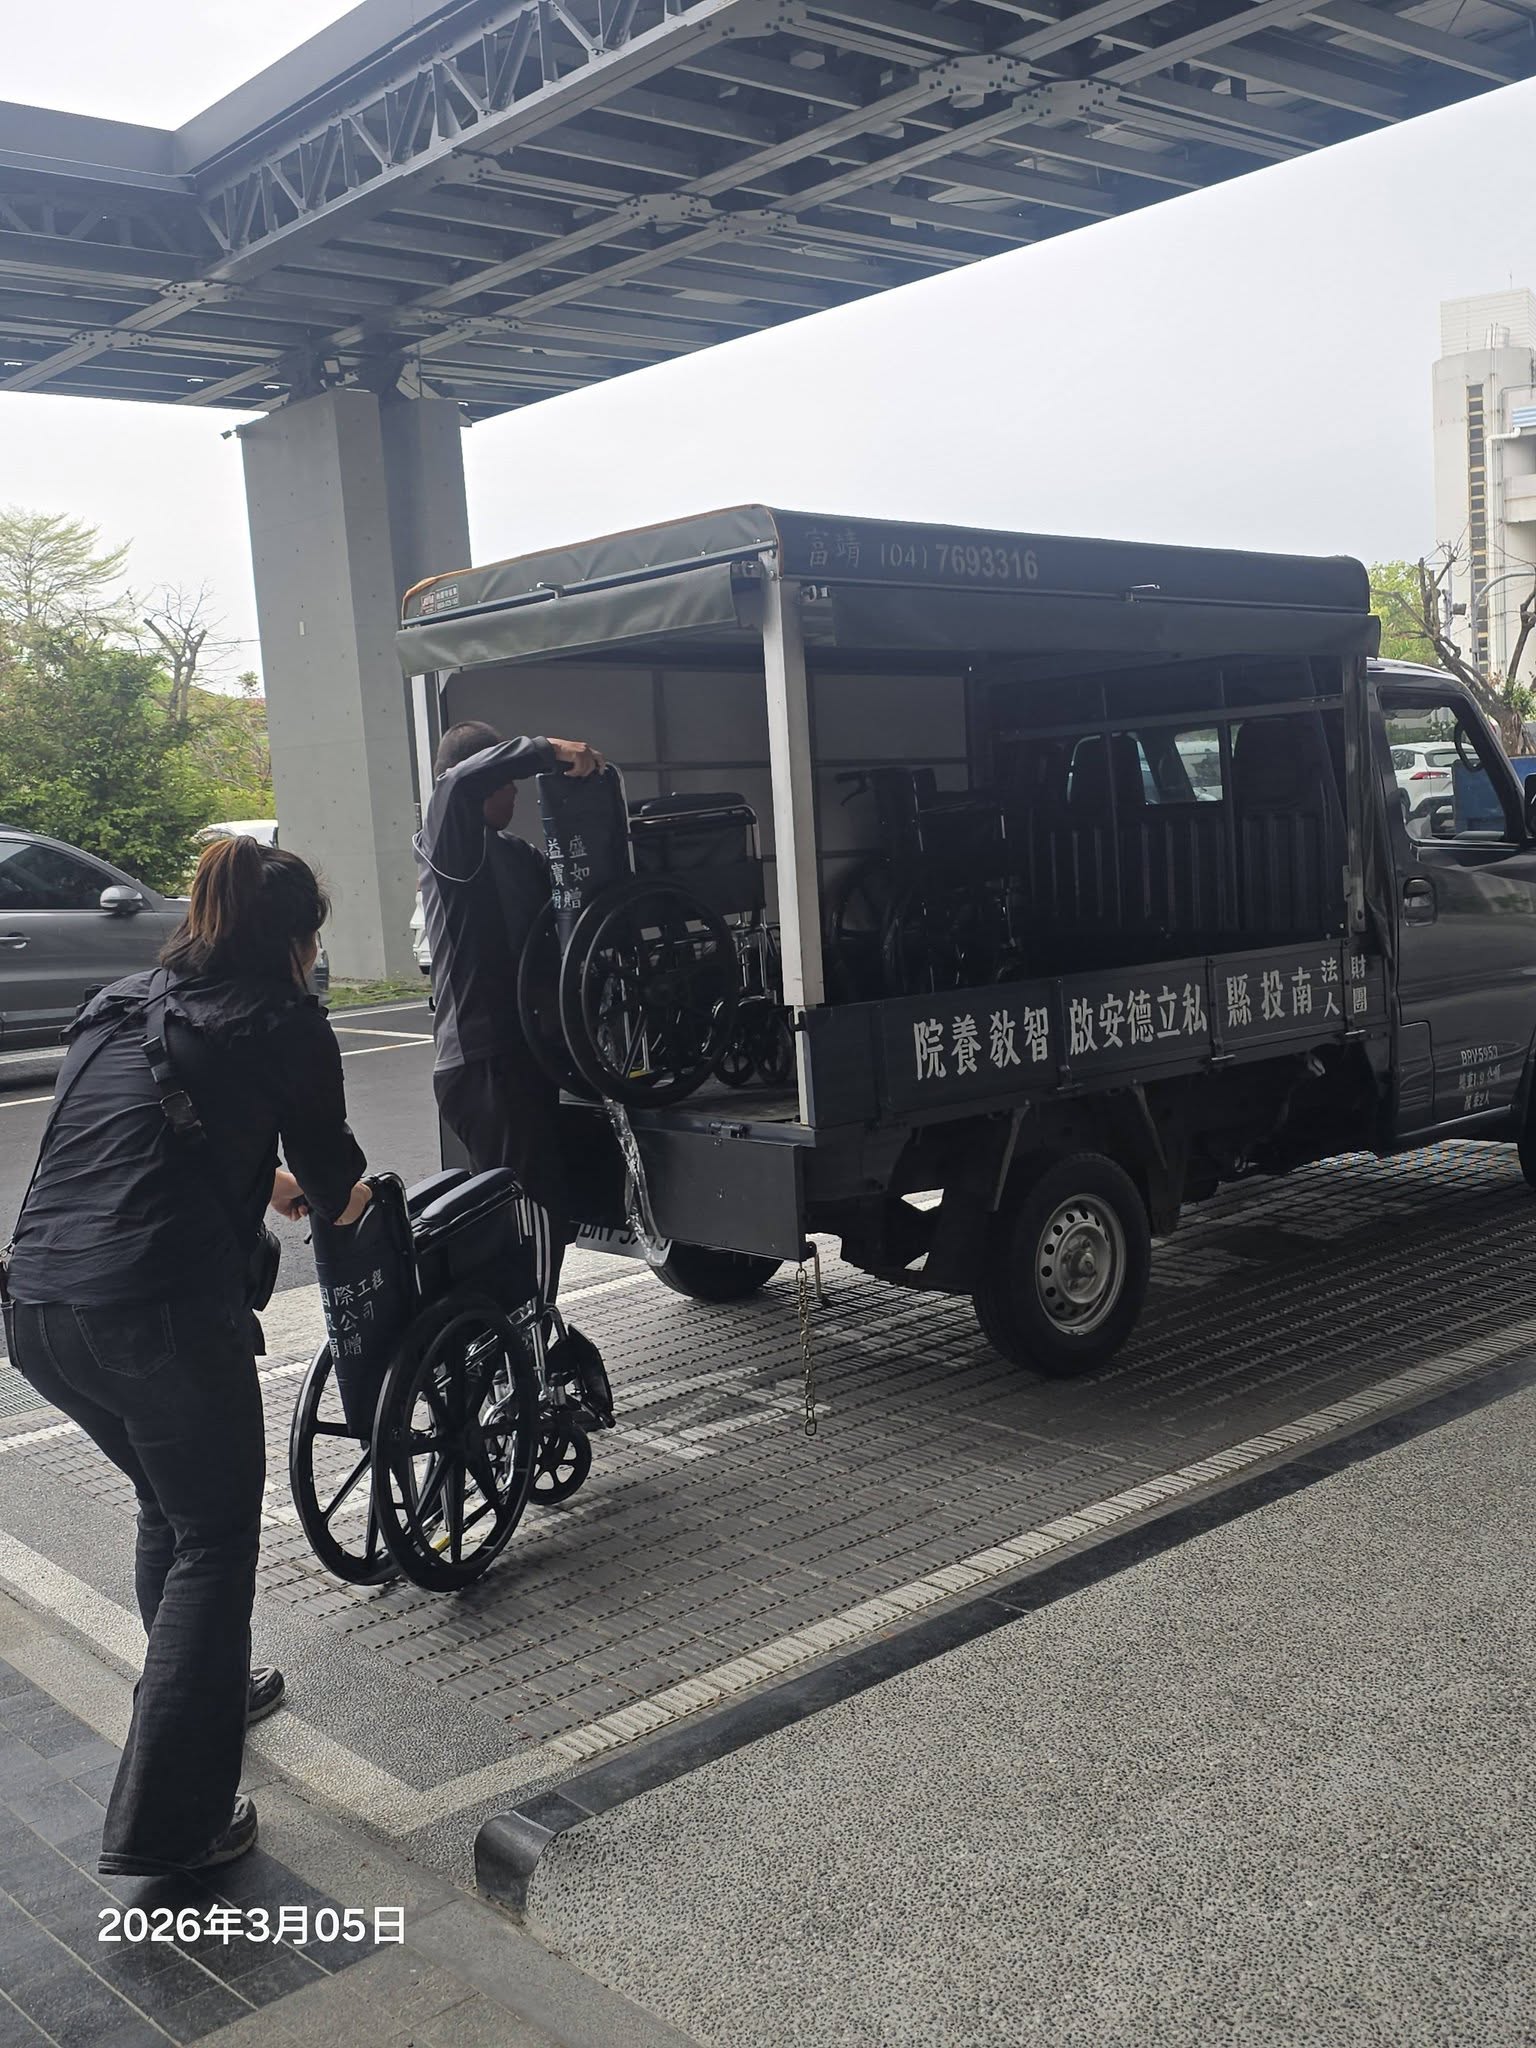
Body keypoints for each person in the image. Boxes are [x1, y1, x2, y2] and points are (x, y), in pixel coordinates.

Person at [0, 839, 371, 1876]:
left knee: (171, 1508)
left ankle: (203, 1687)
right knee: (213, 1538)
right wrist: (350, 1202)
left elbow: (136, 1136)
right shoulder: (285, 1018)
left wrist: (263, 1178)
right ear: (295, 941)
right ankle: (172, 1824)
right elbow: (337, 1184)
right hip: (154, 1316)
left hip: (38, 1307)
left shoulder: (123, 1000)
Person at [416, 722, 602, 1305]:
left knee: (543, 1212)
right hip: (483, 1062)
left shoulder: (514, 854)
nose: (514, 792)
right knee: (527, 1220)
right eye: (505, 782)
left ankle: (524, 1333)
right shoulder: (449, 841)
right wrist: (551, 750)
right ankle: (521, 1339)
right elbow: (457, 782)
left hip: (521, 1057)